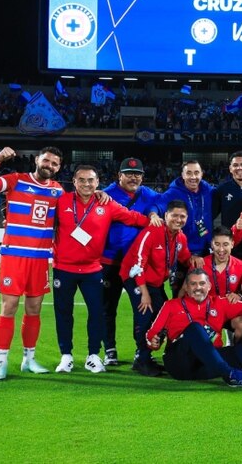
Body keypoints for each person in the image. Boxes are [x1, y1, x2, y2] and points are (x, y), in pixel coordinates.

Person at [0, 146, 64, 380]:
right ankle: (2, 362)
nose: (50, 166)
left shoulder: (58, 191)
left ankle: (29, 359)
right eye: (47, 160)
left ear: (58, 168)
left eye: (55, 164)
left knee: (34, 309)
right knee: (9, 307)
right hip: (14, 257)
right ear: (37, 160)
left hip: (39, 259)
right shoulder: (16, 181)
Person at [52, 165, 149, 374]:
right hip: (63, 268)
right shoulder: (62, 201)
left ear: (98, 183)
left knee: (97, 313)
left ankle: (93, 355)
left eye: (91, 180)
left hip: (92, 269)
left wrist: (156, 220)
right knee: (63, 313)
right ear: (74, 182)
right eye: (82, 180)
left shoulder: (107, 203)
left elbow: (132, 217)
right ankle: (66, 356)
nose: (87, 184)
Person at [100, 157, 163, 366]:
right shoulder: (106, 194)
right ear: (119, 176)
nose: (133, 177)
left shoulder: (148, 194)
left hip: (135, 265)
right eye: (128, 173)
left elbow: (161, 202)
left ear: (143, 177)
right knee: (108, 307)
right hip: (109, 261)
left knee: (142, 308)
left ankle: (141, 350)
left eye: (137, 174)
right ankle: (109, 349)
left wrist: (154, 211)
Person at [121, 200, 194, 376]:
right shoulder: (152, 232)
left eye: (182, 216)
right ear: (165, 216)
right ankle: (141, 358)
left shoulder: (180, 238)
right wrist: (144, 293)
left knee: (163, 314)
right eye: (174, 215)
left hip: (155, 282)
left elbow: (186, 258)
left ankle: (148, 355)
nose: (178, 219)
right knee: (145, 314)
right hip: (135, 278)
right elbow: (138, 264)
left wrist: (196, 260)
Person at [203, 227, 242, 343]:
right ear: (212, 245)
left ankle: (237, 353)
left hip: (231, 311)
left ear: (232, 244)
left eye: (225, 244)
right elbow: (187, 291)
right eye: (217, 244)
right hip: (208, 312)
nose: (221, 249)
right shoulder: (201, 265)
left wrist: (239, 295)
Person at [160, 160, 215, 260]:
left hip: (206, 248)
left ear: (201, 174)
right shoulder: (173, 193)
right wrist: (153, 214)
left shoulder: (208, 190)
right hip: (182, 251)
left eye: (196, 173)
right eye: (189, 173)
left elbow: (224, 192)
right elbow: (157, 205)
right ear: (183, 175)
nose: (193, 177)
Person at [212, 151, 242, 230]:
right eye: (235, 165)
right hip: (230, 239)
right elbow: (211, 214)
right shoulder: (222, 189)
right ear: (230, 169)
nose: (239, 168)